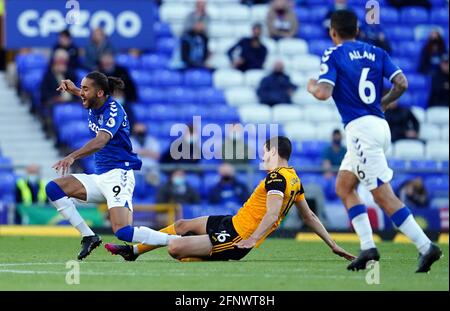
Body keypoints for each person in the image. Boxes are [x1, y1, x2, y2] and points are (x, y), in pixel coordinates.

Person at [307, 10, 441, 273]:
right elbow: (401, 83)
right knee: (344, 187)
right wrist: (383, 103)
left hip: (361, 132)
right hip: (379, 125)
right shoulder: (377, 52)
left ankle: (427, 246)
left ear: (333, 32)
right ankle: (368, 247)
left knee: (383, 196)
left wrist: (311, 86)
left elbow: (323, 93)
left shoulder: (333, 53)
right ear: (357, 30)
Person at [105, 136, 355, 262]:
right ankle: (135, 251)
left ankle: (208, 255)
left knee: (175, 248)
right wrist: (332, 244)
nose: (263, 156)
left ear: (275, 153)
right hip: (232, 222)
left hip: (237, 238)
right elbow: (309, 216)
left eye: (265, 152)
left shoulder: (277, 178)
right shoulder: (294, 179)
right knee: (182, 226)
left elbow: (271, 214)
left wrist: (253, 239)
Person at [46, 72, 178, 260]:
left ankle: (176, 240)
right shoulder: (94, 100)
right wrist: (73, 88)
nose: (81, 93)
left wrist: (72, 157)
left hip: (119, 174)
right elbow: (84, 95)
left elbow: (100, 141)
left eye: (85, 89)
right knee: (54, 188)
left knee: (123, 232)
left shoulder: (113, 110)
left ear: (100, 93)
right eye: (81, 88)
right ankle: (89, 236)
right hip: (99, 177)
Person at [40, 49, 77, 136]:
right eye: (59, 60)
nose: (61, 63)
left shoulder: (70, 73)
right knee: (52, 108)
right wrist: (55, 98)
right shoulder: (48, 75)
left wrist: (65, 73)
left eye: (64, 60)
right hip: (55, 102)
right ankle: (54, 133)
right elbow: (44, 93)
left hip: (71, 101)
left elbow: (77, 88)